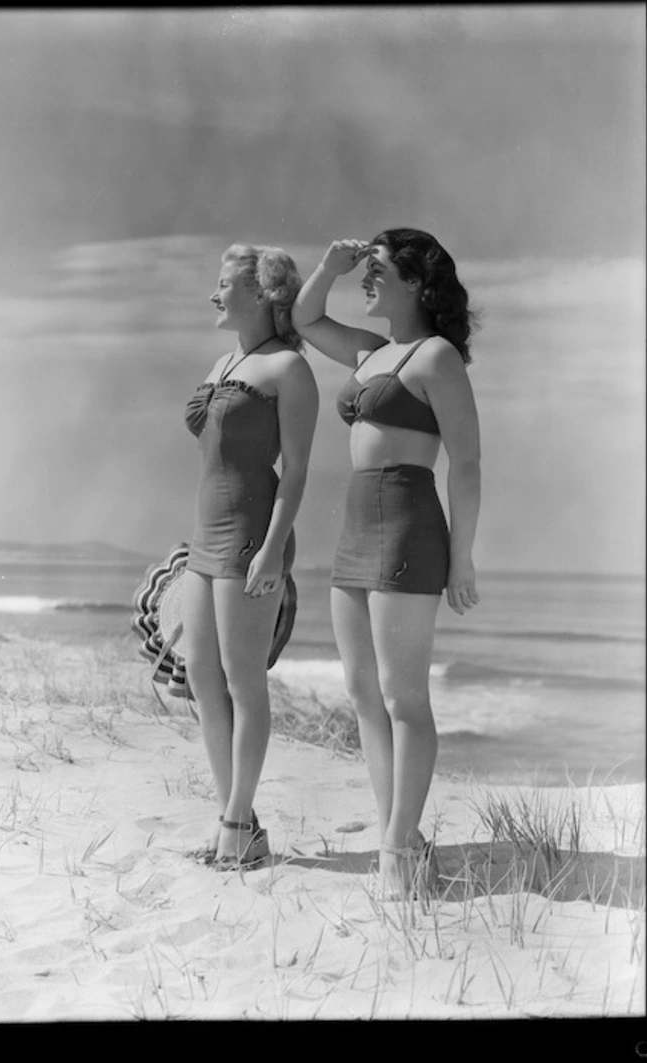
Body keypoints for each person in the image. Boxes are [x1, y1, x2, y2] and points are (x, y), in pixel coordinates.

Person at [292, 228, 481, 896]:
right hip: (354, 525)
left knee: (404, 697)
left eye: (377, 270)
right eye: (364, 271)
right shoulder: (372, 351)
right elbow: (305, 318)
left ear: (415, 281)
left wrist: (463, 559)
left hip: (408, 524)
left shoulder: (436, 359)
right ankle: (400, 832)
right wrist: (329, 266)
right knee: (362, 694)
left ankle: (398, 849)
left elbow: (468, 463)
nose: (366, 281)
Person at [182, 243, 319, 870]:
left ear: (262, 295)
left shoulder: (289, 370)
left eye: (224, 284)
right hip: (203, 541)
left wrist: (271, 553)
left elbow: (295, 474)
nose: (214, 294)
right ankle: (233, 818)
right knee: (202, 681)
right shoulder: (223, 360)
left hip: (249, 541)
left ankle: (239, 823)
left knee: (243, 682)